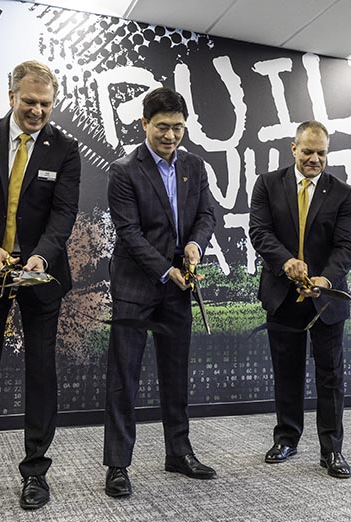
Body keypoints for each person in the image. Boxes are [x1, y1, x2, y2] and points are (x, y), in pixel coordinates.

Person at [0, 60, 80, 508]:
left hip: (40, 278)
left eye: (46, 104)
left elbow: (64, 213)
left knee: (40, 374)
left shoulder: (65, 148)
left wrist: (42, 255)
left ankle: (35, 472)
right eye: (29, 101)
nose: (37, 111)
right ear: (11, 97)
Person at [102, 87, 217, 498]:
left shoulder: (194, 166)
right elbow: (129, 234)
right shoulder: (123, 171)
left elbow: (207, 214)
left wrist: (195, 246)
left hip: (178, 289)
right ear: (144, 125)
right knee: (124, 380)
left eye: (178, 128)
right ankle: (117, 465)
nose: (171, 136)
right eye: (163, 127)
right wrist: (167, 270)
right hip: (136, 287)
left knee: (175, 375)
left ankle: (178, 452)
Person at [249, 120, 351, 478]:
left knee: (330, 377)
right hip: (282, 295)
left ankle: (332, 451)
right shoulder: (267, 185)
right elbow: (259, 232)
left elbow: (346, 246)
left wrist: (324, 281)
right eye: (308, 151)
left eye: (321, 153)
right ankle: (287, 439)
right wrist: (286, 262)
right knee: (287, 372)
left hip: (326, 300)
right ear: (293, 149)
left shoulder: (343, 193)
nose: (314, 159)